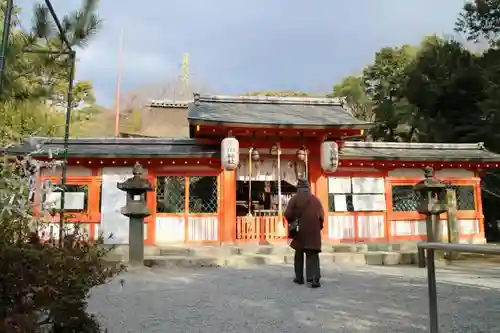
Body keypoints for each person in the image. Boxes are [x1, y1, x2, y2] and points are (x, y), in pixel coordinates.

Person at [284, 178, 325, 288]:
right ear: (308, 188)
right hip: (313, 231)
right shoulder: (315, 200)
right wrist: (318, 227)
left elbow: (287, 213)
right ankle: (314, 278)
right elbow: (322, 216)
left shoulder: (295, 199)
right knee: (313, 254)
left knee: (299, 254)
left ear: (298, 188)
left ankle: (299, 278)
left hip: (300, 231)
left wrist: (293, 221)